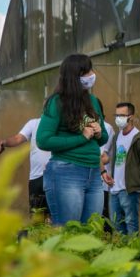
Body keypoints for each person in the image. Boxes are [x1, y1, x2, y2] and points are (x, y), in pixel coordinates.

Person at [37, 54, 108, 225]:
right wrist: (82, 137)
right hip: (66, 172)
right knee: (68, 232)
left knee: (91, 232)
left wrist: (99, 133)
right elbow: (43, 140)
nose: (92, 74)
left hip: (93, 173)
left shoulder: (93, 101)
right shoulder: (57, 102)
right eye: (87, 71)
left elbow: (103, 138)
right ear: (75, 76)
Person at [103, 102, 140, 235]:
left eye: (122, 115)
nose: (118, 118)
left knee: (131, 222)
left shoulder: (138, 138)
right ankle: (122, 251)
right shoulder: (116, 137)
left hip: (129, 189)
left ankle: (133, 251)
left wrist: (137, 177)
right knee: (116, 223)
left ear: (131, 117)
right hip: (114, 188)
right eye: (116, 115)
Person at [0, 117, 52, 219]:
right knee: (36, 216)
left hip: (56, 176)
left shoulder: (61, 123)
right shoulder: (34, 123)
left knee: (54, 216)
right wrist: (5, 142)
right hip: (36, 177)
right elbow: (18, 138)